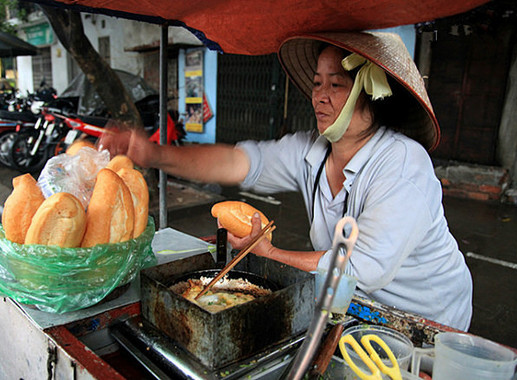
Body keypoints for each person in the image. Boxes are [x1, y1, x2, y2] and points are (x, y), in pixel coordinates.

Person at [99, 31, 473, 331]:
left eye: (337, 86)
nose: (320, 98)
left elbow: (364, 267)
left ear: (371, 96)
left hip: (424, 322)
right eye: (316, 84)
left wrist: (273, 255)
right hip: (347, 305)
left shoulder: (403, 164)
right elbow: (238, 161)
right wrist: (153, 155)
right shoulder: (310, 149)